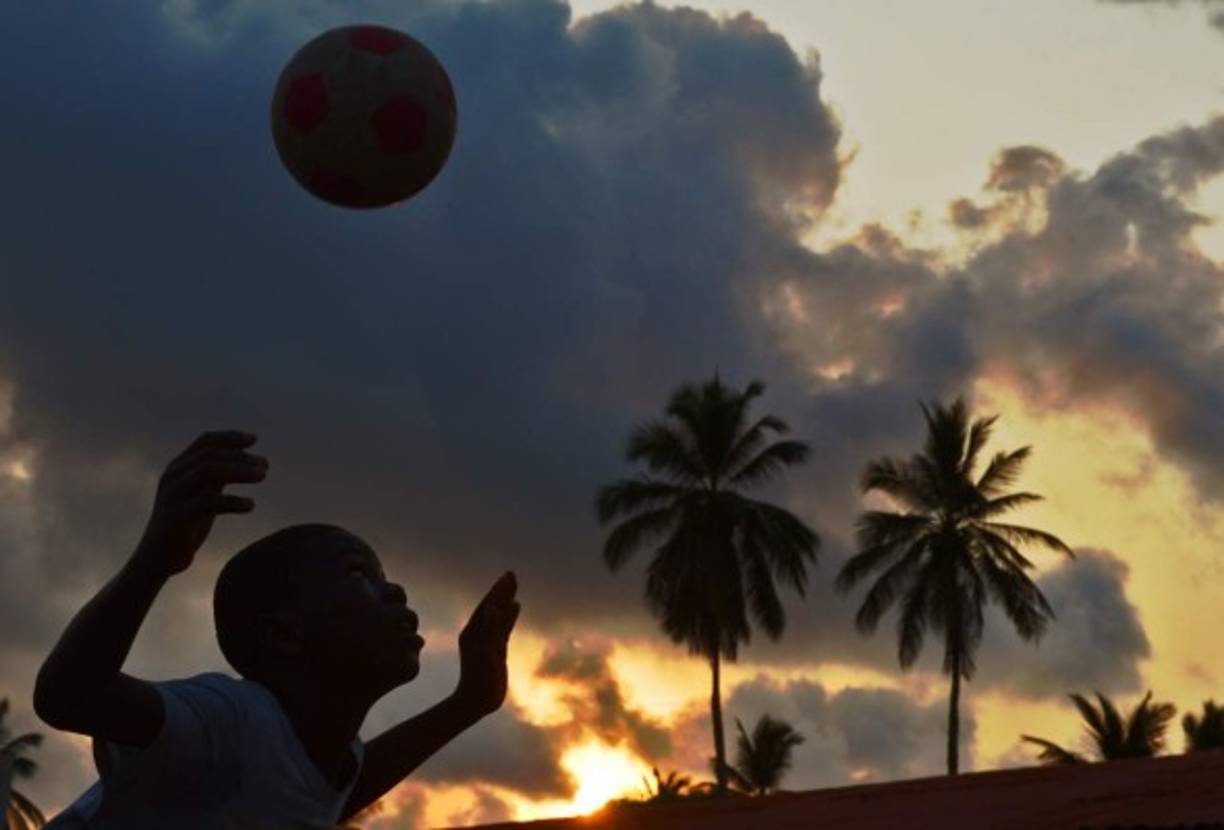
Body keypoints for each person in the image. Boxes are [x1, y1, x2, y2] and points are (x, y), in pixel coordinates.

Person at [33, 430, 520, 828]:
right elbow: (69, 695)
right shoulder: (226, 720)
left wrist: (469, 702)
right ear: (284, 635)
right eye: (358, 575)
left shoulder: (324, 759)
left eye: (384, 579)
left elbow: (325, 793)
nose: (393, 592)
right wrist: (153, 561)